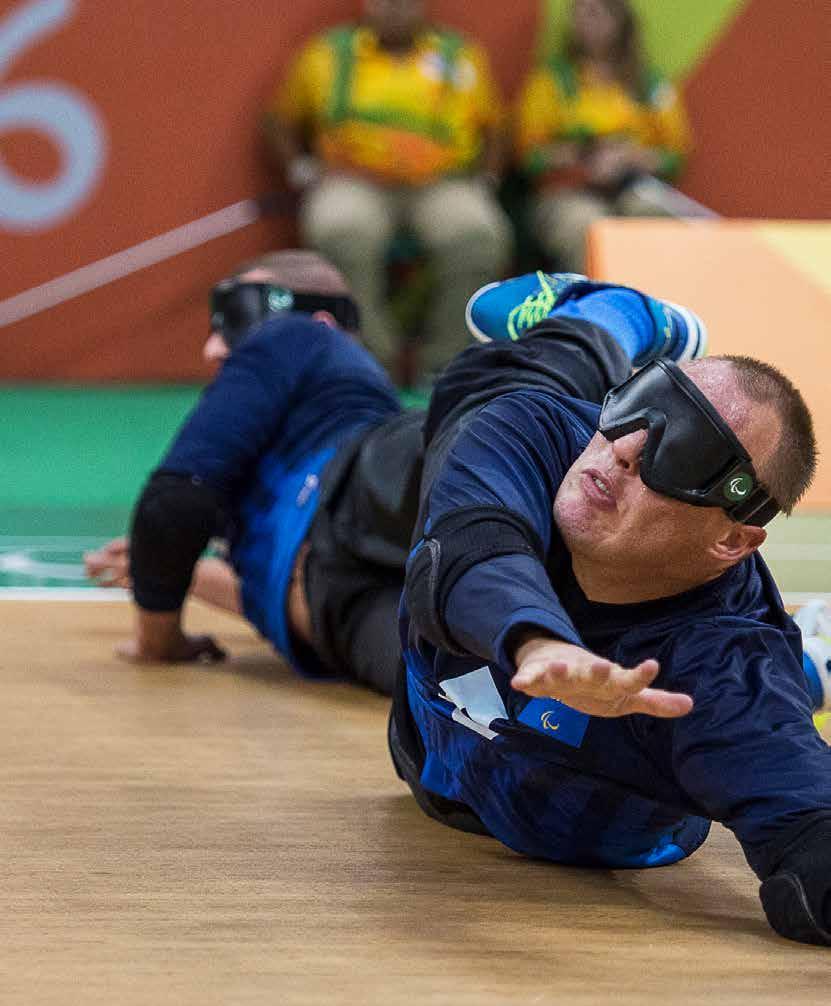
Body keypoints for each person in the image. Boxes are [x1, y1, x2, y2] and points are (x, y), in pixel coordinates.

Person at [389, 269, 831, 946]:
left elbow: (814, 842)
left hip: (570, 818)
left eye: (682, 452)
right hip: (431, 760)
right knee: (480, 389)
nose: (622, 448)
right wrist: (538, 643)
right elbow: (466, 550)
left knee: (768, 692)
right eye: (639, 404)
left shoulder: (719, 682)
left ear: (732, 537)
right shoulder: (538, 434)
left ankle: (808, 661)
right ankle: (614, 315)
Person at [86, 250, 424, 696]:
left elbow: (176, 503)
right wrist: (171, 568)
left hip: (334, 611)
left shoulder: (297, 336)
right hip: (328, 590)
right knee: (505, 670)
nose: (212, 347)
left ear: (321, 323)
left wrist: (158, 637)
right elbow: (272, 576)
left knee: (469, 685)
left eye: (237, 318)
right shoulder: (272, 495)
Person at [263, 0, 512, 379]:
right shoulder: (327, 54)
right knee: (340, 229)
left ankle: (447, 366)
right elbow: (278, 119)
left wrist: (487, 179)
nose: (396, 8)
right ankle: (372, 363)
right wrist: (301, 169)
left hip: (442, 184)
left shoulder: (460, 55)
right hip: (353, 182)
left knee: (477, 233)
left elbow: (496, 127)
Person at [513, 0, 692, 271]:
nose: (584, 22)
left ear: (619, 20)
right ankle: (590, 312)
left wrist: (631, 158)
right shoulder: (553, 80)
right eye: (578, 13)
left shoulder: (647, 83)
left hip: (631, 187)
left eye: (595, 13)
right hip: (567, 193)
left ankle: (647, 311)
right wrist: (582, 154)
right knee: (588, 230)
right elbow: (528, 159)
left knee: (654, 218)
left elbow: (676, 157)